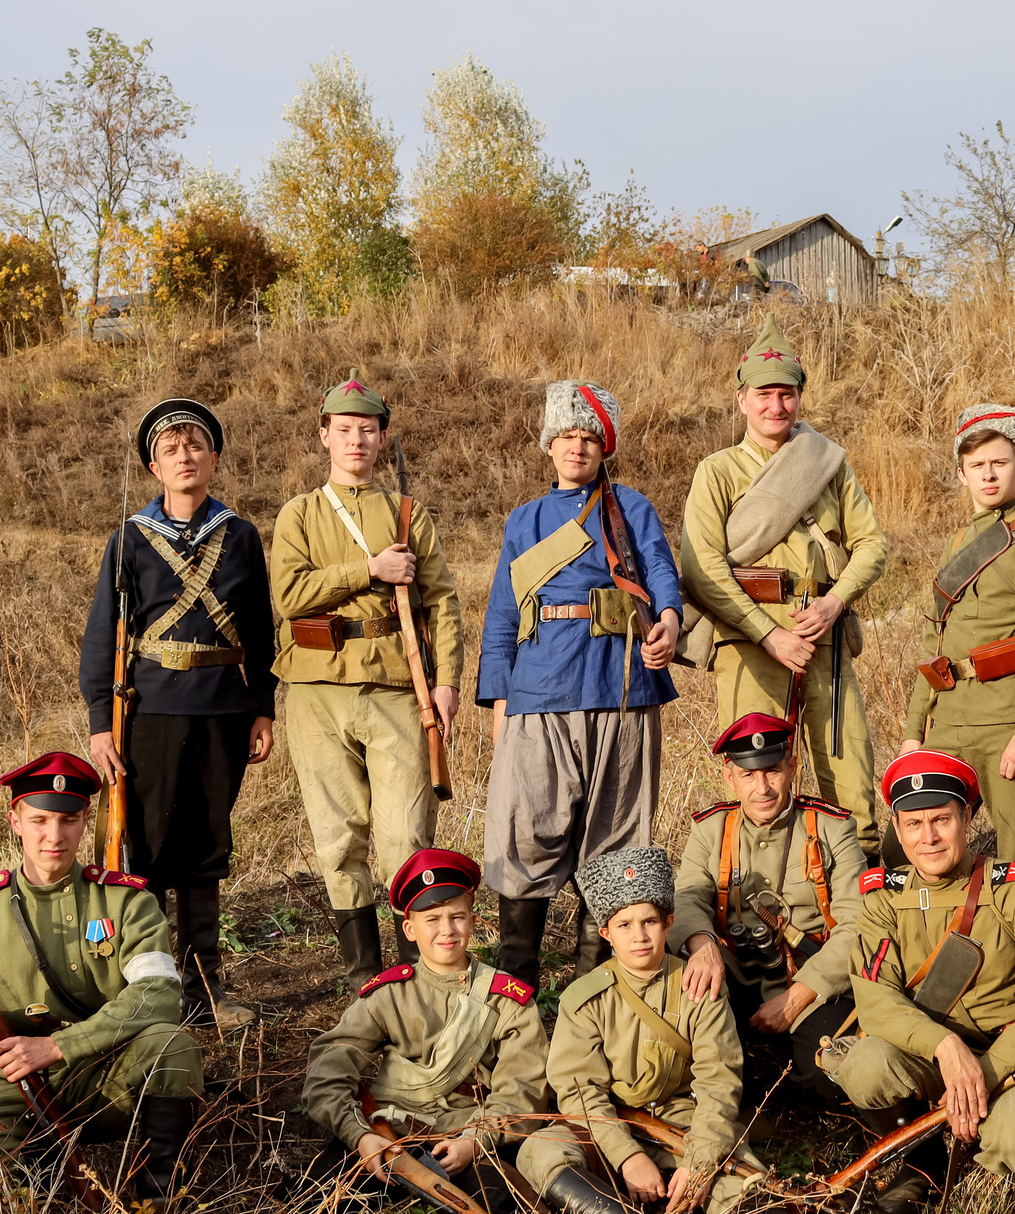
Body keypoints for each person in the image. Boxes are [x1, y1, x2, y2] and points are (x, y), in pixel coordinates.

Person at [515, 848, 888, 1214]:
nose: (640, 937)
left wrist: (700, 1160)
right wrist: (626, 1157)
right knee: (541, 1149)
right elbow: (580, 1094)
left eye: (650, 922)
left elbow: (719, 1080)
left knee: (737, 1165)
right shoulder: (584, 999)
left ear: (669, 924)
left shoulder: (699, 986)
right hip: (610, 1128)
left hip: (680, 1121)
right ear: (606, 934)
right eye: (625, 925)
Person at [0, 753, 201, 1206]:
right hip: (9, 1086)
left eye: (69, 821)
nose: (54, 836)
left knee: (173, 1046)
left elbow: (160, 997)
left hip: (105, 1076)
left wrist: (56, 1048)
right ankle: (46, 1190)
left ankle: (162, 1208)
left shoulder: (127, 901)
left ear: (86, 820)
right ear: (14, 820)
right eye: (39, 820)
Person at [478, 380, 684, 988]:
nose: (576, 448)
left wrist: (668, 622)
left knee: (616, 844)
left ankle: (598, 990)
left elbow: (662, 575)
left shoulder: (633, 508)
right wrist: (499, 699)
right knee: (526, 833)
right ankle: (517, 988)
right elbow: (501, 616)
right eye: (566, 437)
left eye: (588, 438)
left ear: (604, 448)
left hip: (621, 687)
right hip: (538, 693)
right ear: (548, 446)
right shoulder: (526, 519)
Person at [79, 397, 276, 1030]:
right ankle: (151, 988)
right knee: (150, 850)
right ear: (153, 467)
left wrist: (262, 706)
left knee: (207, 847)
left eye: (194, 446)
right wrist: (100, 720)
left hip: (223, 707)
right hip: (152, 710)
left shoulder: (241, 534)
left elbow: (259, 629)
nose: (184, 457)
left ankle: (206, 991)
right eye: (171, 450)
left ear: (214, 458)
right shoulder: (128, 539)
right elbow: (104, 634)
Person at [822, 749, 1015, 1214]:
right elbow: (877, 1001)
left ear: (968, 817)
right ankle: (924, 1161)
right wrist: (944, 1046)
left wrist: (980, 1072)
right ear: (897, 830)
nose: (929, 838)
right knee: (863, 1065)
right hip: (932, 1055)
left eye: (941, 819)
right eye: (914, 824)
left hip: (1014, 1056)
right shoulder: (882, 896)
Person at [271, 370, 463, 981]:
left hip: (395, 687)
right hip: (316, 692)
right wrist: (369, 568)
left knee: (406, 836)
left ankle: (419, 970)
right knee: (337, 837)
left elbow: (443, 602)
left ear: (383, 439)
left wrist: (448, 681)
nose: (357, 440)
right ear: (324, 436)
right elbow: (290, 594)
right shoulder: (298, 514)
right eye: (345, 429)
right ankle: (363, 977)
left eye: (369, 430)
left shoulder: (407, 513)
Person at [679, 324, 891, 860]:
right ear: (742, 400)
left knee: (849, 769)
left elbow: (871, 546)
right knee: (759, 773)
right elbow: (702, 568)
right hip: (749, 639)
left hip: (825, 635)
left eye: (787, 394)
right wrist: (769, 634)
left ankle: (857, 893)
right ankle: (757, 895)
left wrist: (834, 601)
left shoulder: (828, 464)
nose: (777, 406)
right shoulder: (717, 472)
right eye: (765, 395)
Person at [300, 847, 549, 1214]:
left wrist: (476, 1142)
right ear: (409, 929)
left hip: (470, 1144)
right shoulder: (388, 994)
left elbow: (523, 1091)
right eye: (431, 920)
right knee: (308, 1212)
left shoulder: (508, 999)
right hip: (390, 1138)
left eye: (456, 916)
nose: (446, 930)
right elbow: (328, 1068)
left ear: (473, 920)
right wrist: (360, 1137)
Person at [899, 404, 1015, 868]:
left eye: (999, 463)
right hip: (951, 724)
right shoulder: (957, 542)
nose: (988, 475)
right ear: (961, 474)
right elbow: (934, 649)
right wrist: (912, 734)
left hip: (1010, 722)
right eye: (976, 466)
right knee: (911, 855)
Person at [671, 713, 865, 1105]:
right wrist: (703, 945)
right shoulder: (711, 829)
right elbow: (687, 897)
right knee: (687, 1013)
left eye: (773, 771)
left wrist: (797, 998)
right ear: (729, 777)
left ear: (792, 766)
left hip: (810, 977)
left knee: (826, 1080)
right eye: (748, 775)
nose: (762, 788)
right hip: (733, 975)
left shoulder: (832, 827)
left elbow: (857, 923)